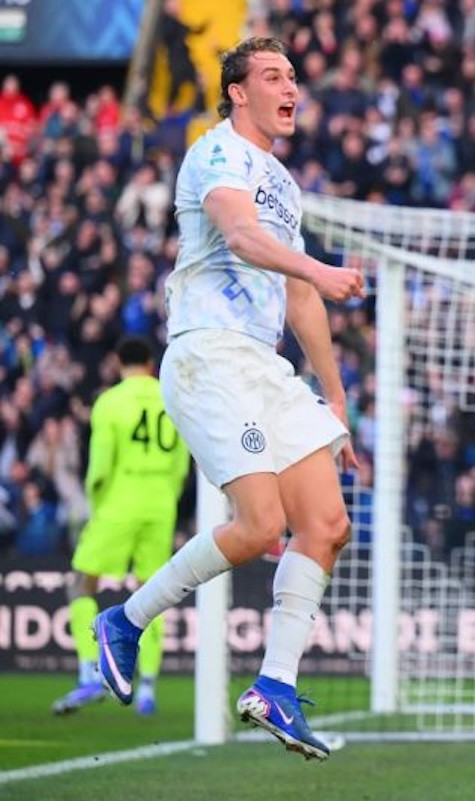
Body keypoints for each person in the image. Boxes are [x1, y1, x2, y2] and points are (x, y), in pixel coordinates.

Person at [93, 36, 365, 761]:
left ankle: (275, 685)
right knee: (260, 522)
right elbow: (242, 237)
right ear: (238, 92)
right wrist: (320, 267)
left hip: (265, 366)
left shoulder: (285, 184)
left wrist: (335, 401)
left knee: (328, 523)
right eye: (274, 76)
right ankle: (125, 620)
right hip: (209, 353)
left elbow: (299, 295)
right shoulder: (216, 152)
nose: (291, 88)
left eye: (294, 76)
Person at [52, 336, 190, 717]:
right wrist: (166, 496)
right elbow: (181, 464)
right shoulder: (171, 398)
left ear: (118, 362)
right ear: (150, 363)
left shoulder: (110, 402)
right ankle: (147, 687)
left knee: (81, 583)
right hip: (161, 502)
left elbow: (100, 468)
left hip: (120, 499)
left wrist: (98, 507)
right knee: (153, 591)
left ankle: (89, 674)